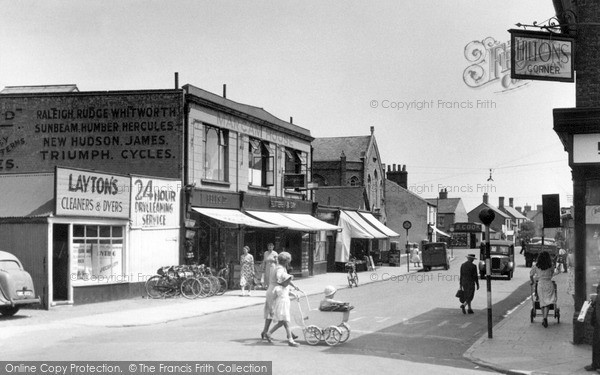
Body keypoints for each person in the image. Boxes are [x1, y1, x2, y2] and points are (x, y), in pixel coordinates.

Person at [261, 251, 297, 341]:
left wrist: (293, 286)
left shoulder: (280, 267)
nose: (289, 262)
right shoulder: (280, 268)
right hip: (274, 292)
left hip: (274, 290)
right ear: (286, 261)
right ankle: (266, 332)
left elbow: (284, 277)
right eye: (288, 261)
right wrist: (284, 283)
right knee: (274, 312)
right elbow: (280, 277)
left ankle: (289, 333)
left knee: (279, 313)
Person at [264, 274, 300, 347]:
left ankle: (268, 334)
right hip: (280, 307)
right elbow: (272, 299)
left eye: (289, 281)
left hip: (286, 307)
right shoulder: (277, 288)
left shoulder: (286, 288)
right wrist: (271, 309)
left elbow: (288, 293)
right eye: (287, 281)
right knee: (286, 323)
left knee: (280, 323)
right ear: (282, 282)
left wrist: (294, 295)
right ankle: (290, 340)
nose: (288, 283)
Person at [530, 251, 560, 328]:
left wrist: (532, 281)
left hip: (540, 284)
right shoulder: (550, 265)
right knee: (548, 301)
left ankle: (544, 318)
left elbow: (531, 274)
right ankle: (545, 318)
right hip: (549, 284)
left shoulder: (536, 266)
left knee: (542, 302)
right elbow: (552, 273)